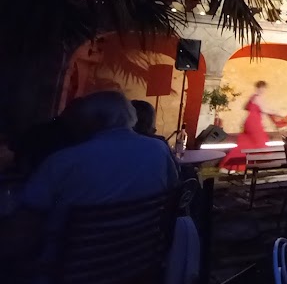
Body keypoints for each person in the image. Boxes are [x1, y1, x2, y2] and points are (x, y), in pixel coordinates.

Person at [0, 91, 179, 260]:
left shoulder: (64, 161)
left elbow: (22, 231)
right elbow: (173, 193)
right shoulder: (159, 150)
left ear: (93, 120)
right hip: (137, 263)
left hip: (66, 276)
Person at [220, 81, 281, 171]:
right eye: (262, 88)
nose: (263, 90)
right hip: (254, 123)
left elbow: (246, 107)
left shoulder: (253, 97)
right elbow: (264, 109)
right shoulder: (258, 98)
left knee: (246, 144)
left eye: (264, 88)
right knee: (260, 142)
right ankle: (264, 165)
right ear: (259, 88)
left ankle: (230, 165)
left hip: (249, 121)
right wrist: (277, 113)